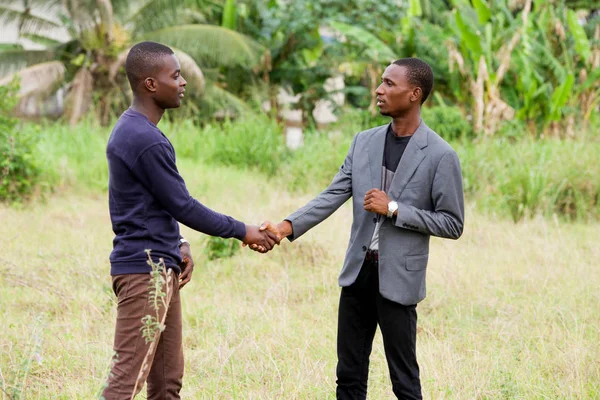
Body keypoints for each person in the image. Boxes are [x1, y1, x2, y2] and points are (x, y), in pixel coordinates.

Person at [259, 58, 464, 399]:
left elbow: (452, 223)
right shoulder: (363, 142)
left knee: (405, 382)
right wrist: (284, 227)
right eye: (381, 82)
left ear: (414, 94)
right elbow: (332, 194)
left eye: (388, 84)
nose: (379, 90)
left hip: (399, 278)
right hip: (357, 274)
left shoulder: (441, 155)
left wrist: (395, 209)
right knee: (349, 376)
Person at [102, 41, 278, 399]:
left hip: (160, 264)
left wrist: (179, 243)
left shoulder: (138, 130)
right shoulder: (142, 137)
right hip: (144, 271)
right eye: (175, 75)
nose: (182, 82)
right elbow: (183, 204)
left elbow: (155, 203)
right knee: (126, 382)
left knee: (167, 382)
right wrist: (243, 231)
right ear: (150, 84)